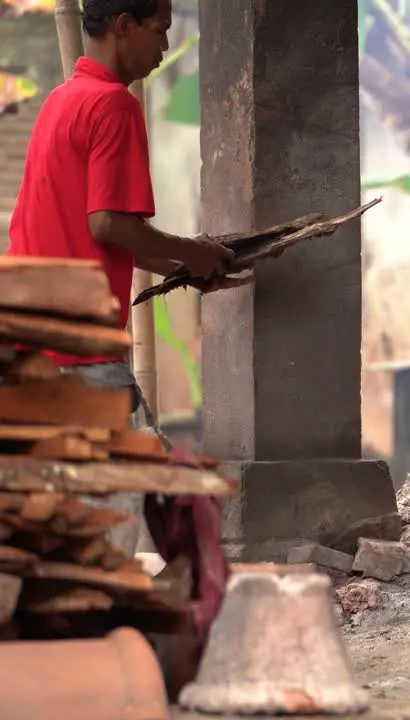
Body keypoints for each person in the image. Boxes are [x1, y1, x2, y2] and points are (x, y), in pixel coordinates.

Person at [6, 0, 249, 553]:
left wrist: (185, 264)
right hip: (81, 362)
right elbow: (110, 222)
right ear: (123, 27)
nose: (164, 46)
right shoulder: (112, 105)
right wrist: (192, 249)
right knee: (108, 541)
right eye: (159, 31)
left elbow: (90, 232)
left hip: (30, 355)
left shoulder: (58, 102)